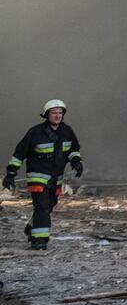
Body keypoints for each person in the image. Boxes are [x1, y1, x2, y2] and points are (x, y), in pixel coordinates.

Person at [4, 100, 83, 251]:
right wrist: (10, 174)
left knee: (49, 205)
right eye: (54, 113)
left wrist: (76, 161)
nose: (57, 116)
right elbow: (20, 153)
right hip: (38, 177)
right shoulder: (35, 132)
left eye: (60, 113)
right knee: (42, 208)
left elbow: (73, 149)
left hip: (55, 178)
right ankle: (39, 241)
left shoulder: (67, 131)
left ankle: (31, 227)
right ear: (46, 114)